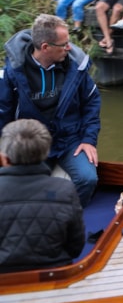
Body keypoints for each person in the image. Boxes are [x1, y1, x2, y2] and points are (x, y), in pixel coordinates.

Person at [0, 14, 101, 207]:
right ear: (45, 47)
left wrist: (89, 139)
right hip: (32, 143)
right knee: (24, 187)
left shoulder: (76, 68)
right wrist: (5, 149)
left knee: (87, 179)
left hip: (69, 139)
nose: (69, 48)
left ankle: (68, 216)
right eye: (64, 44)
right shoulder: (11, 74)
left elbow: (91, 103)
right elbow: (2, 114)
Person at [0, 118, 85, 272]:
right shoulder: (65, 190)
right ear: (45, 154)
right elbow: (75, 247)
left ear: (4, 159)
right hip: (54, 275)